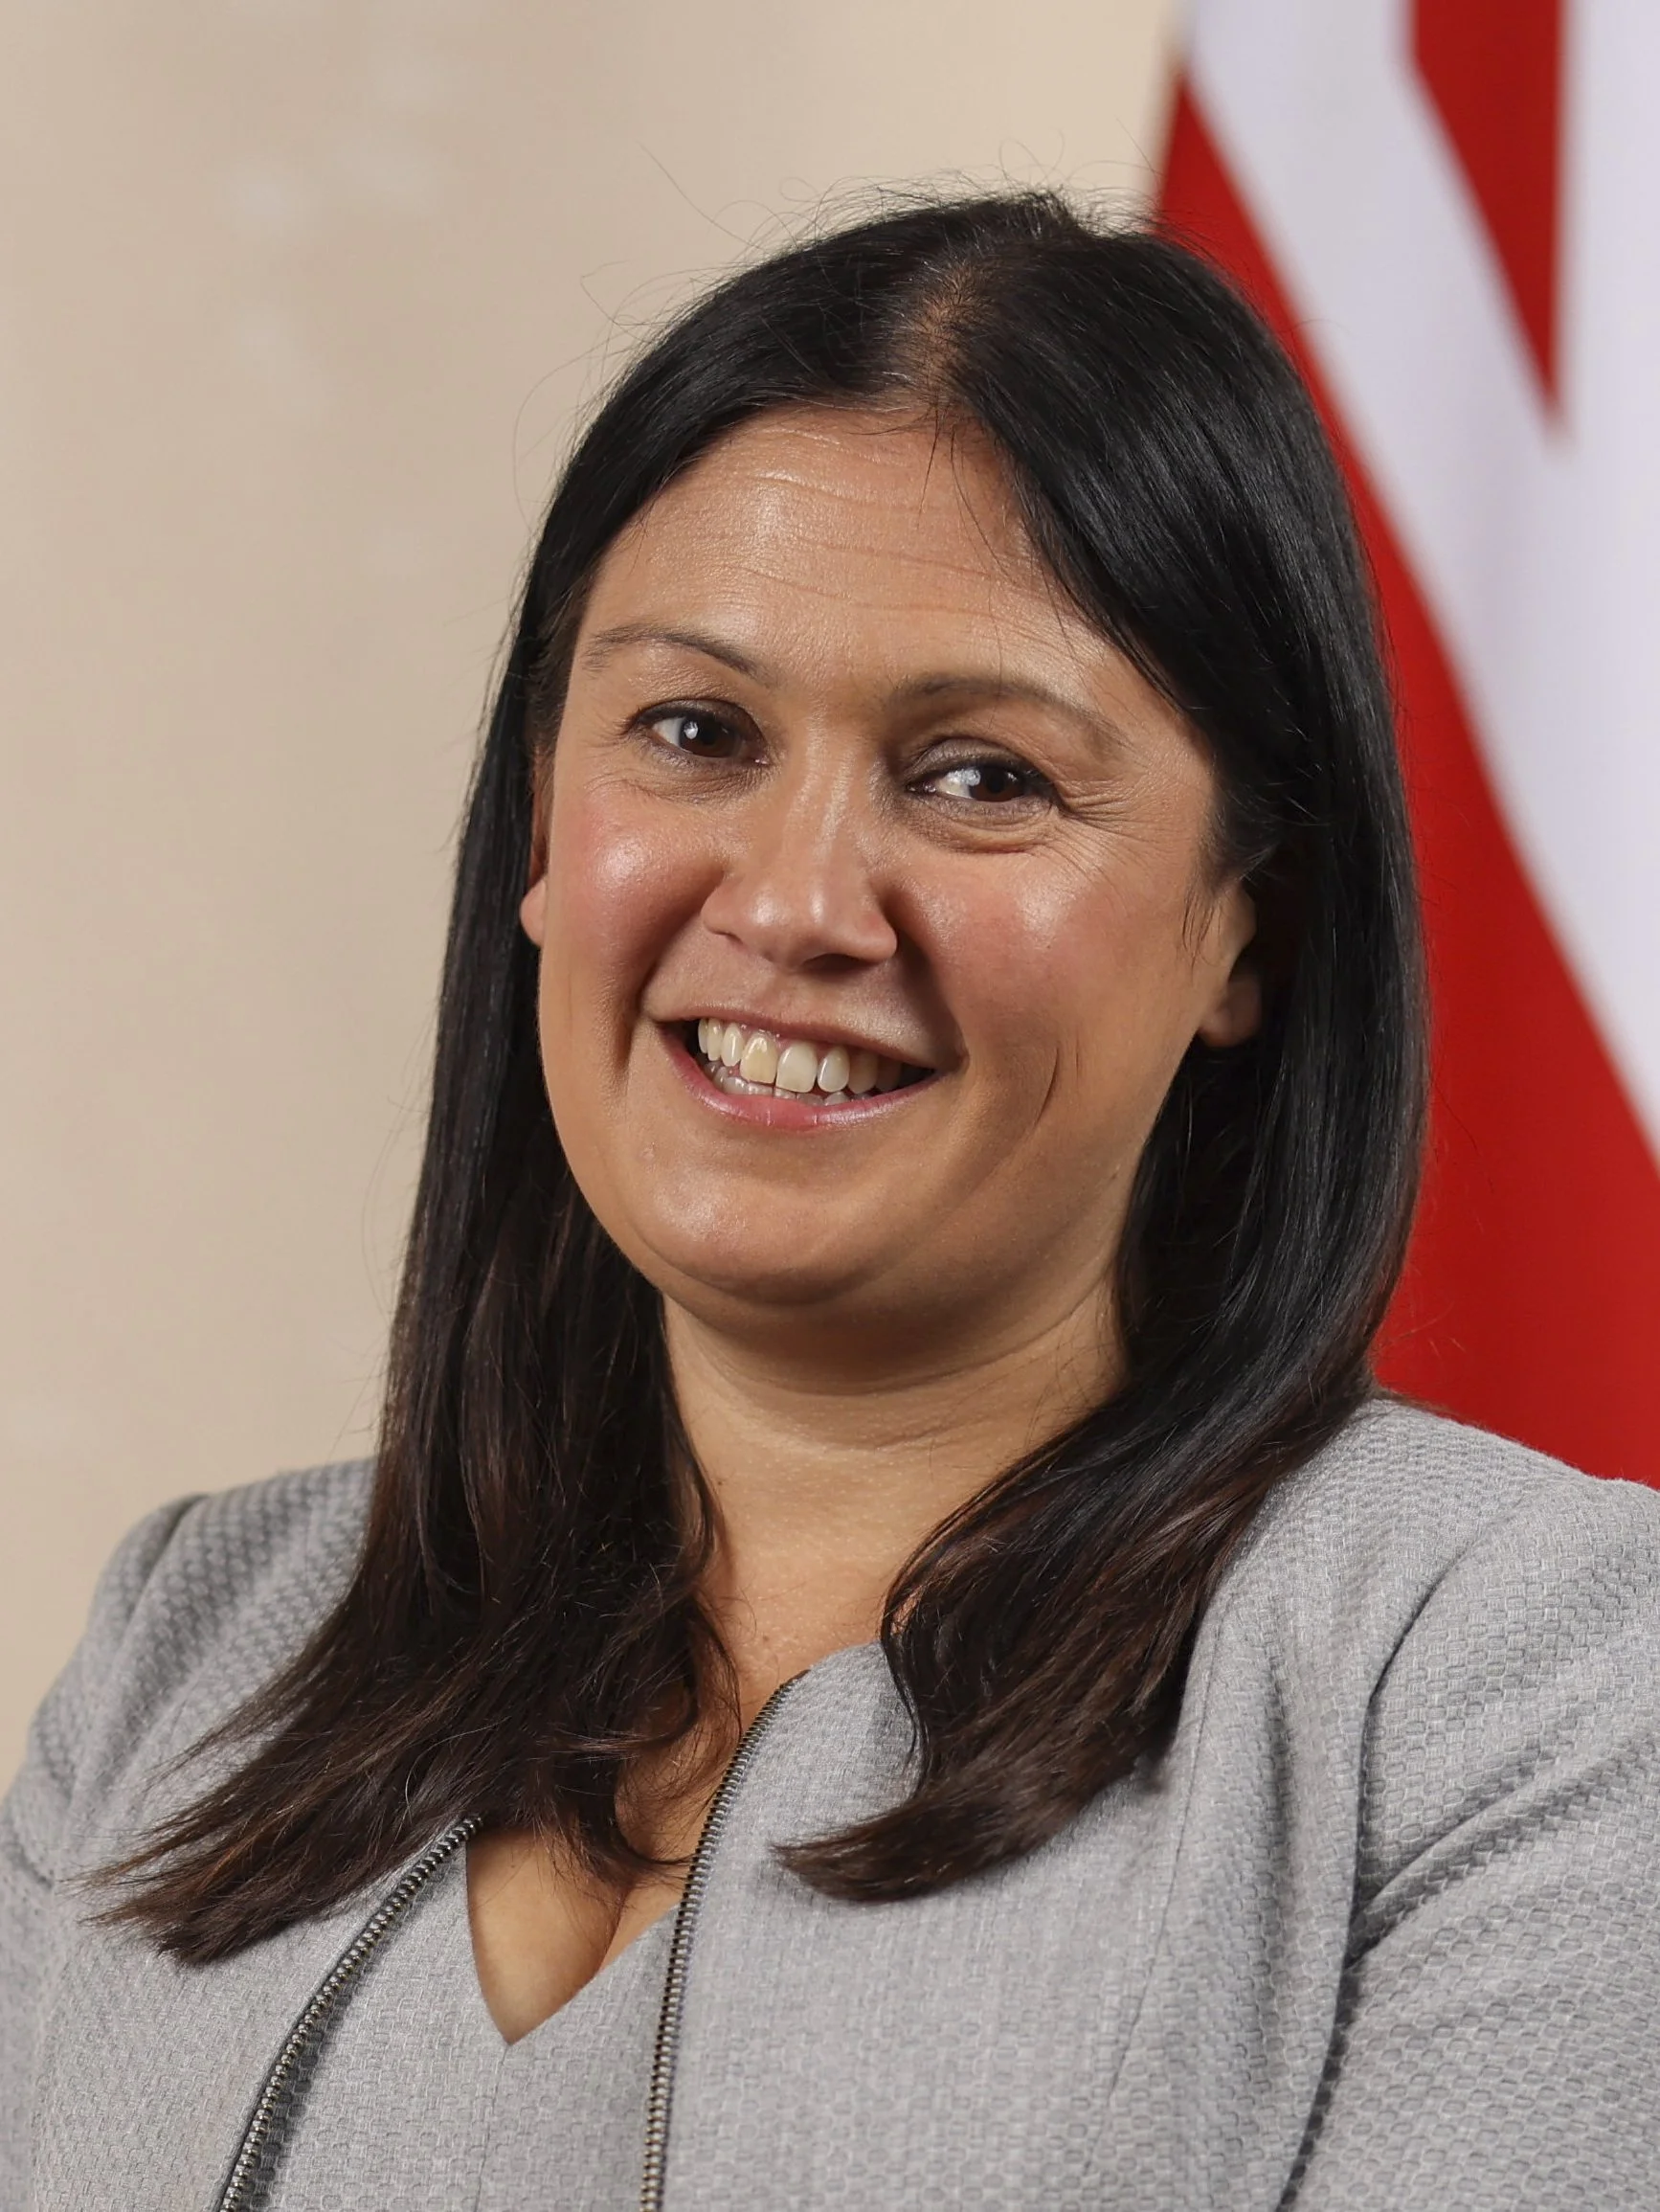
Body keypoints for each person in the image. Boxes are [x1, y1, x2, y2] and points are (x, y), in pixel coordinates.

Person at [5, 192, 1659, 2212]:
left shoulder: (1525, 1687)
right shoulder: (193, 1652)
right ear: (541, 820)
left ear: (1252, 930)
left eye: (982, 778)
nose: (790, 903)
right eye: (693, 733)